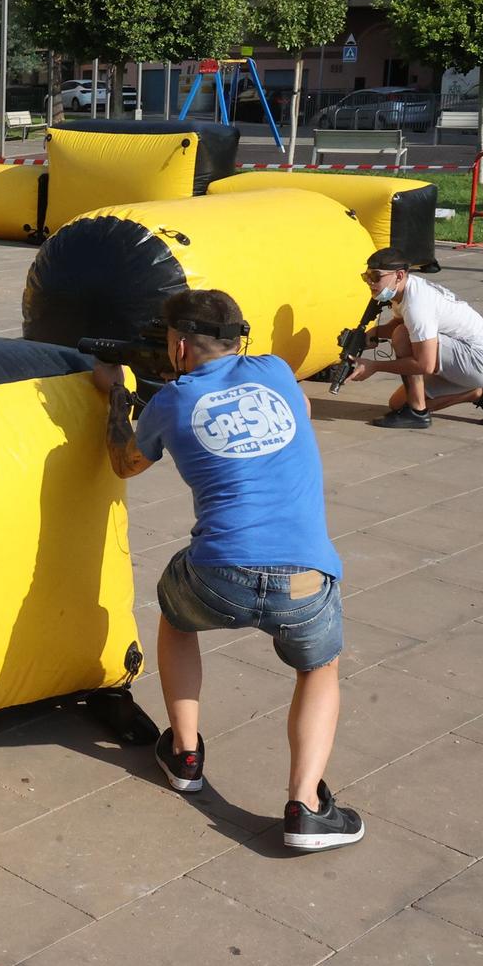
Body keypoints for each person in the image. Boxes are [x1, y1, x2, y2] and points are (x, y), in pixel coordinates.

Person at [94, 289, 365, 852]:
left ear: (178, 345)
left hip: (218, 575)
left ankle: (185, 753)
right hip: (306, 579)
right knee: (319, 668)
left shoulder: (171, 400)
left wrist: (117, 397)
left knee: (177, 614)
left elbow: (125, 461)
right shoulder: (278, 372)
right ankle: (306, 806)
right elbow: (304, 412)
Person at [347, 247, 483, 430]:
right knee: (396, 404)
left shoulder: (417, 304)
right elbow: (399, 324)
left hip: (480, 360)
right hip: (467, 357)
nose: (370, 283)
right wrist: (370, 335)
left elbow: (424, 364)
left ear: (398, 275)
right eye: (366, 277)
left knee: (402, 336)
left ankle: (417, 413)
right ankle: (480, 393)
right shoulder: (404, 290)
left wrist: (374, 366)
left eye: (375, 277)